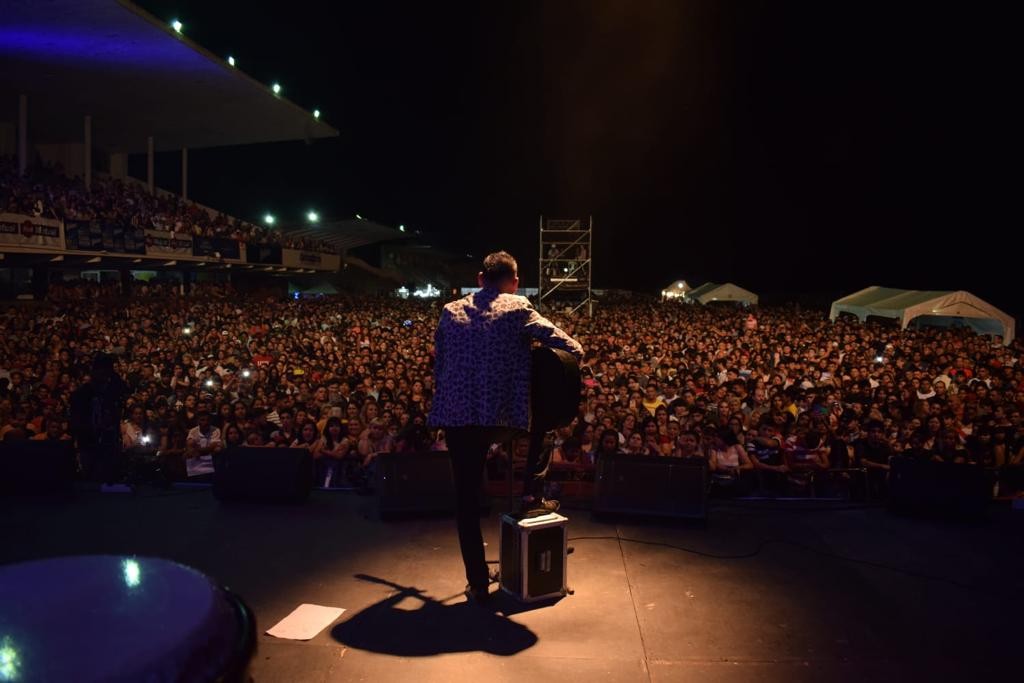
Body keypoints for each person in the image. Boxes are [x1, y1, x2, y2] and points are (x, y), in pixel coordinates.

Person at [429, 251, 583, 605]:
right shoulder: (518, 308)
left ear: (481, 278)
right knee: (545, 423)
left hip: (456, 417)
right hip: (501, 419)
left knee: (465, 502)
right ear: (514, 281)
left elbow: (440, 363)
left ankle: (478, 582)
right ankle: (532, 492)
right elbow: (569, 345)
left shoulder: (449, 311)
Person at [70, 353, 131, 492]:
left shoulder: (111, 390)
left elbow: (123, 388)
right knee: (91, 478)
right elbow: (76, 418)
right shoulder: (83, 393)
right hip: (89, 439)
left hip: (108, 439)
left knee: (108, 476)